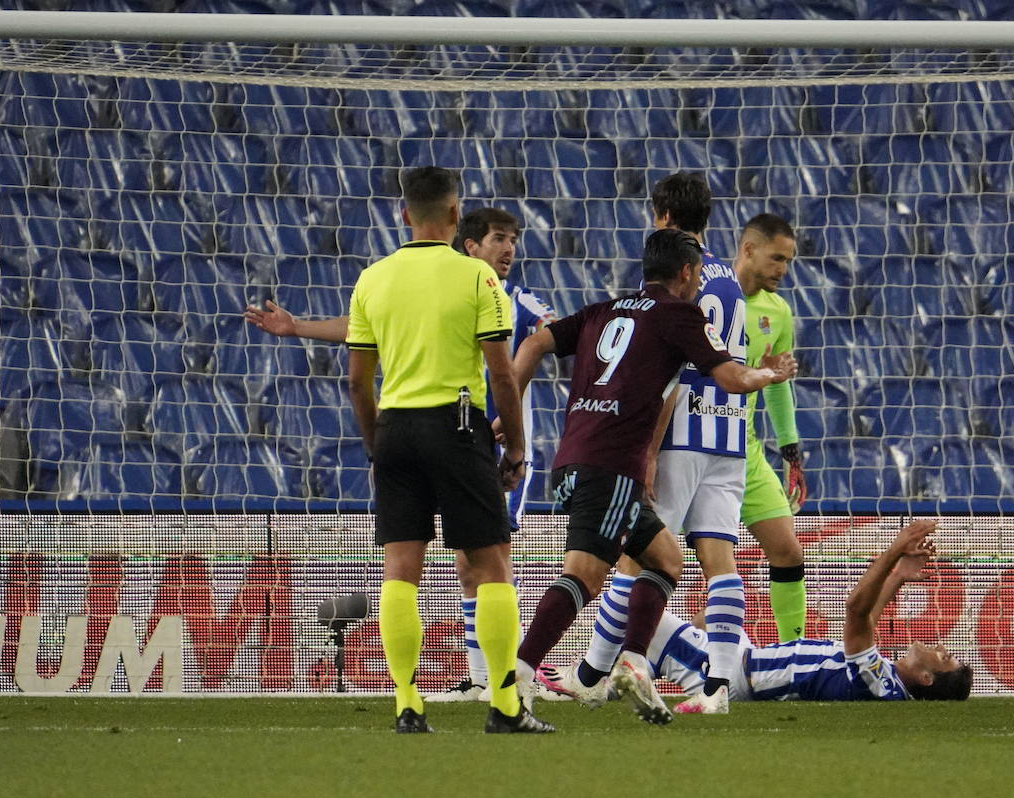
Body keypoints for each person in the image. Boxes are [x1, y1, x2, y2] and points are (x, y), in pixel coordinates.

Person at [245, 207, 555, 702]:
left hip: (484, 444)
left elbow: (546, 336)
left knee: (489, 560)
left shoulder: (515, 299)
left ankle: (503, 677)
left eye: (513, 239)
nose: (509, 249)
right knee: (471, 563)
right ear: (469, 243)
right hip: (459, 438)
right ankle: (489, 680)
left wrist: (511, 404)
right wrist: (298, 326)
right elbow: (363, 326)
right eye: (499, 238)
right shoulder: (452, 287)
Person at [504, 228, 797, 728]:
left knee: (664, 558)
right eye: (699, 272)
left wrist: (504, 413)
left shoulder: (604, 309)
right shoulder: (678, 315)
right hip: (613, 464)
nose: (702, 279)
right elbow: (730, 378)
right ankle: (516, 682)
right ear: (685, 273)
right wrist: (768, 374)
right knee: (584, 575)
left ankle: (634, 663)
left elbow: (534, 344)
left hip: (573, 457)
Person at [342, 167, 546, 734]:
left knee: (401, 570)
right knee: (491, 568)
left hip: (396, 430)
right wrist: (517, 450)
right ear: (456, 218)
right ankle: (505, 707)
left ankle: (408, 704)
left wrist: (375, 446)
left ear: (404, 215)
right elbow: (502, 375)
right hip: (458, 426)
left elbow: (359, 383)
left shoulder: (371, 280)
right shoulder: (477, 280)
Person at [545, 172, 755, 716]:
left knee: (638, 558)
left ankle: (592, 671)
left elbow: (671, 379)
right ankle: (718, 690)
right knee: (719, 560)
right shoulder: (730, 279)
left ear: (662, 216)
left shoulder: (681, 279)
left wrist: (646, 453)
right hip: (728, 433)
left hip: (680, 433)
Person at [619, 520, 970, 704]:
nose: (941, 648)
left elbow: (856, 611)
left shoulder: (881, 684)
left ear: (927, 678)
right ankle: (644, 667)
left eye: (946, 658)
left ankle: (607, 676)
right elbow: (868, 625)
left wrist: (894, 550)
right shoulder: (886, 679)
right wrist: (898, 578)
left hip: (734, 677)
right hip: (745, 656)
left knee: (627, 604)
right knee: (721, 607)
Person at [734, 213, 810, 645]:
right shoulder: (709, 296)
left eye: (788, 261)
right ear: (748, 250)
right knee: (656, 560)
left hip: (745, 450)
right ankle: (620, 657)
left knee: (787, 551)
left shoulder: (777, 311)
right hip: (691, 447)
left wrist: (790, 452)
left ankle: (791, 653)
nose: (783, 270)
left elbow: (778, 387)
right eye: (776, 258)